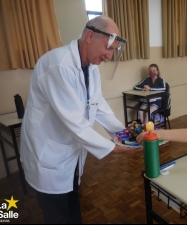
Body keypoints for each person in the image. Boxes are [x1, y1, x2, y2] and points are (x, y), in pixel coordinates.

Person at [20, 16, 141, 224]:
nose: (109, 56)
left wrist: (121, 132)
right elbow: (75, 122)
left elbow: (98, 104)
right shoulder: (58, 65)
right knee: (57, 214)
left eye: (113, 50)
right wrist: (113, 148)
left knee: (72, 205)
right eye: (107, 48)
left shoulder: (91, 66)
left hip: (70, 155)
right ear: (90, 36)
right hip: (49, 155)